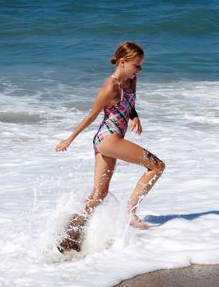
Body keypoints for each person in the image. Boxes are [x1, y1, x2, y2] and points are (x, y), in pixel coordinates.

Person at [55, 42, 165, 253]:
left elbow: (129, 104)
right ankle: (130, 211)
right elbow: (92, 115)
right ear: (122, 62)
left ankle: (69, 238)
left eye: (141, 66)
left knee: (99, 195)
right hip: (107, 139)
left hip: (110, 140)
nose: (139, 70)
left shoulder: (132, 80)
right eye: (136, 65)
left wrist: (134, 116)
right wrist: (69, 139)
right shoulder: (110, 86)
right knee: (157, 166)